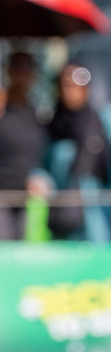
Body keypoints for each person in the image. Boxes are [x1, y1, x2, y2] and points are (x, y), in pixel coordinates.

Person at [44, 63, 111, 243]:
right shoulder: (53, 124)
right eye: (65, 85)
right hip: (64, 219)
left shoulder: (106, 121)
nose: (70, 92)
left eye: (76, 85)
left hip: (101, 216)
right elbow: (44, 166)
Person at [0, 53, 46, 241]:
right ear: (8, 72)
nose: (22, 75)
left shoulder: (35, 114)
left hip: (23, 196)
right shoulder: (3, 109)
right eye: (17, 69)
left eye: (27, 69)